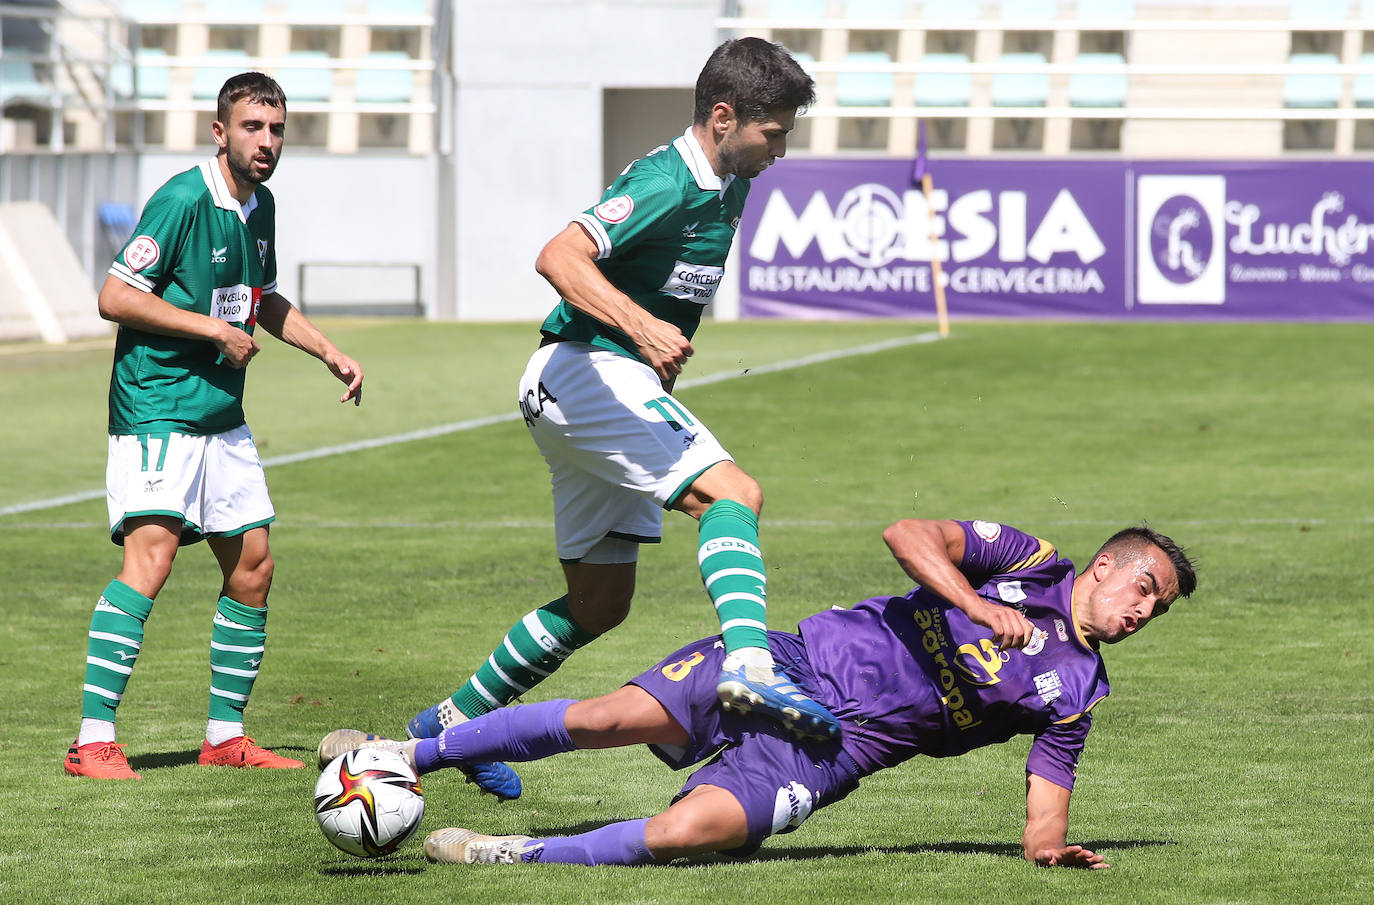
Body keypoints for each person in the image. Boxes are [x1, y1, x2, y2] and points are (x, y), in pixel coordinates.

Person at [401, 37, 830, 802]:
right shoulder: (666, 181)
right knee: (734, 493)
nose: (782, 149)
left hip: (589, 384)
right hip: (583, 371)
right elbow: (558, 256)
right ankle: (751, 667)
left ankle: (446, 725)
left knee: (599, 604)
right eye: (774, 133)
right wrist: (642, 328)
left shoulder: (732, 184)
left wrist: (652, 339)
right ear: (724, 118)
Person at [321, 516, 1197, 867]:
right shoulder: (1030, 561)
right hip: (790, 664)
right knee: (605, 717)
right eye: (1144, 588)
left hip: (836, 751)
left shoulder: (1079, 689)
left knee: (686, 834)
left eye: (1154, 609)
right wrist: (974, 603)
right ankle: (407, 752)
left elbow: (1046, 806)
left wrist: (1050, 851)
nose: (1142, 611)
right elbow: (908, 532)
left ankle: (512, 852)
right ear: (1106, 564)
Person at [63, 72, 365, 780]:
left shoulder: (262, 206)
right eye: (253, 127)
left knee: (254, 565)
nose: (267, 142)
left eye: (277, 129)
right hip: (157, 406)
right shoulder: (181, 200)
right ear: (220, 131)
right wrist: (212, 330)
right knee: (152, 561)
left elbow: (262, 298)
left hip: (221, 415)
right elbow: (114, 296)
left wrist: (328, 351)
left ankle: (225, 736)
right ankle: (92, 740)